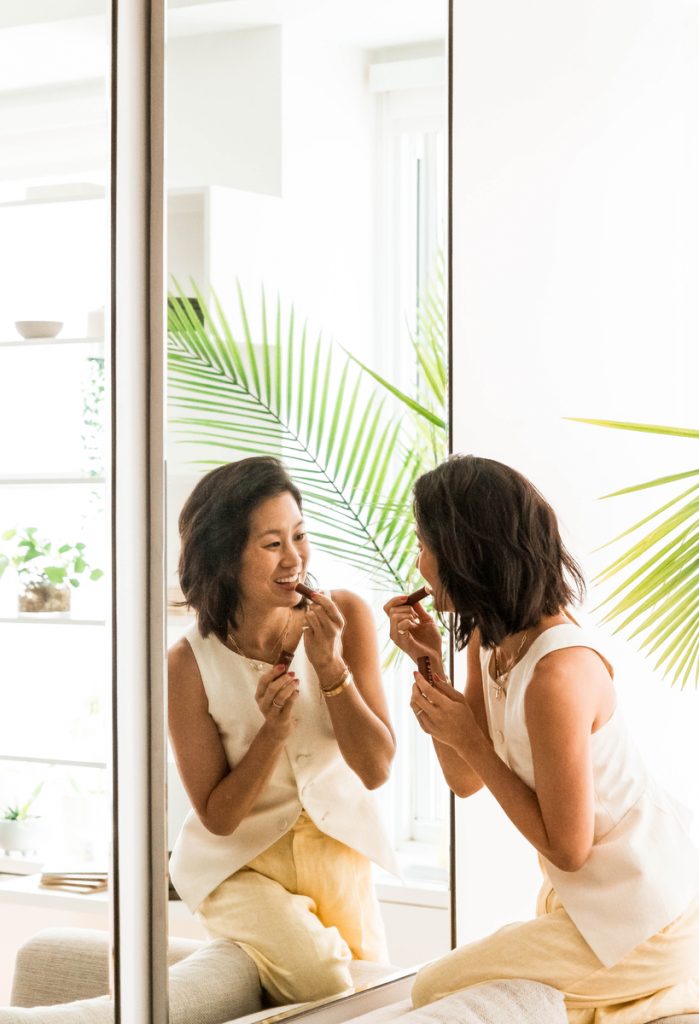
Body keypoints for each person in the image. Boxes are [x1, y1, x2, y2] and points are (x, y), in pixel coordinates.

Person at [384, 454, 699, 1024]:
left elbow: (569, 849)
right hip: (586, 902)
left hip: (648, 910)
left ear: (465, 551)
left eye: (425, 544)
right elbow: (464, 779)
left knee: (432, 985)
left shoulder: (558, 675)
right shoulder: (489, 637)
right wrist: (429, 663)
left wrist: (472, 741)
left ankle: (669, 991)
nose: (419, 562)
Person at [168, 456, 397, 1005]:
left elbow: (376, 769)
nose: (295, 558)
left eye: (299, 535)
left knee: (370, 1004)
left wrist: (330, 668)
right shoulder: (187, 664)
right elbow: (219, 818)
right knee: (324, 982)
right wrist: (270, 733)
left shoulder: (344, 617)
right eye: (272, 544)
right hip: (237, 868)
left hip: (338, 852)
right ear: (224, 556)